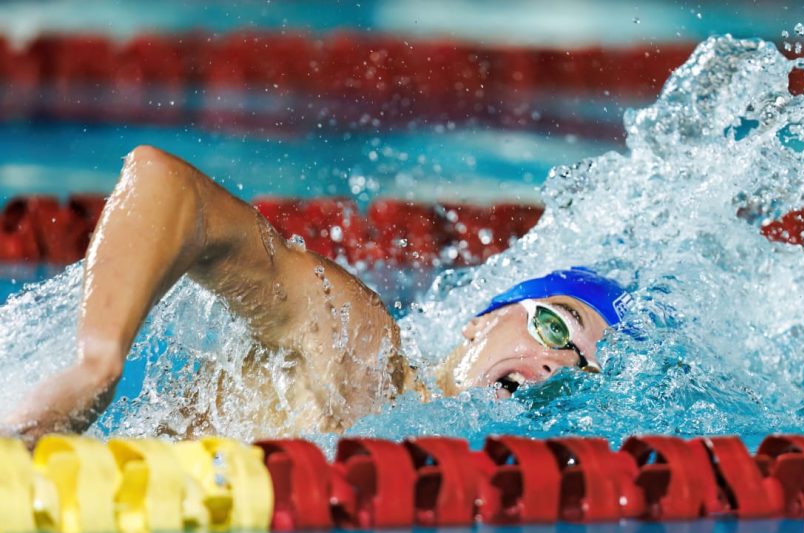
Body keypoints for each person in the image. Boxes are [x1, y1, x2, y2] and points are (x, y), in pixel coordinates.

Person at [1, 146, 632, 442]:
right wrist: (97, 365)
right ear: (479, 323)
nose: (560, 366)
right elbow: (165, 184)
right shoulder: (357, 350)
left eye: (586, 366)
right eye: (557, 327)